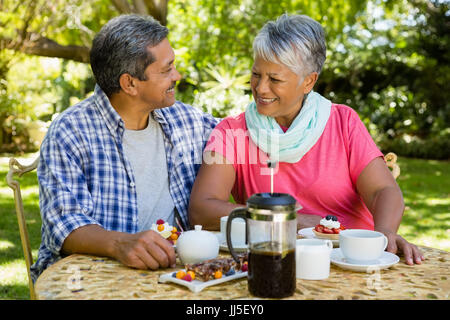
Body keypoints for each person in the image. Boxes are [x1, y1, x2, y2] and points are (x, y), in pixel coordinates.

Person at [189, 14, 424, 265]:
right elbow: (202, 209)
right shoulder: (231, 132)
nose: (260, 88)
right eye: (256, 74)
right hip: (274, 262)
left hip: (350, 261)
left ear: (308, 81)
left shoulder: (343, 122)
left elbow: (382, 189)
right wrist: (286, 221)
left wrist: (386, 232)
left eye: (275, 79)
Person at [32, 14, 217, 282]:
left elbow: (240, 135)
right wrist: (120, 244)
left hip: (173, 275)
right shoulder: (71, 131)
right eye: (166, 70)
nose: (177, 75)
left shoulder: (184, 120)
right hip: (89, 279)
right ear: (129, 83)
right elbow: (64, 224)